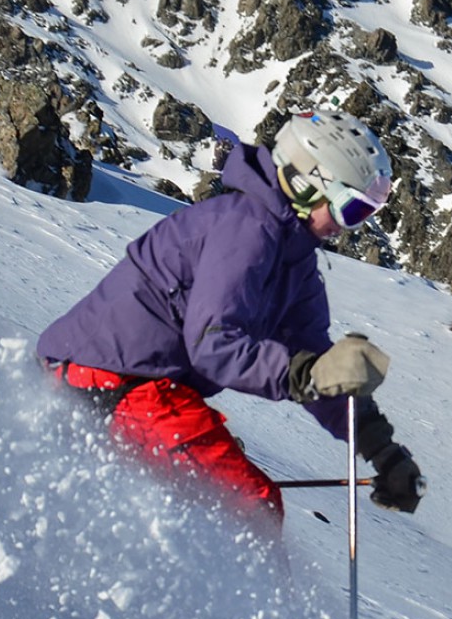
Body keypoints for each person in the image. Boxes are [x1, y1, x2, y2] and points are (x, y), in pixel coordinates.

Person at [37, 110, 425, 527]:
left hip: (144, 388)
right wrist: (305, 374)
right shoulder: (245, 230)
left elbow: (314, 358)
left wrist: (380, 448)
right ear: (306, 183)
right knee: (250, 507)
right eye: (351, 210)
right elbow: (214, 346)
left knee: (223, 506)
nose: (350, 228)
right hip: (105, 381)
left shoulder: (295, 260)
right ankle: (229, 592)